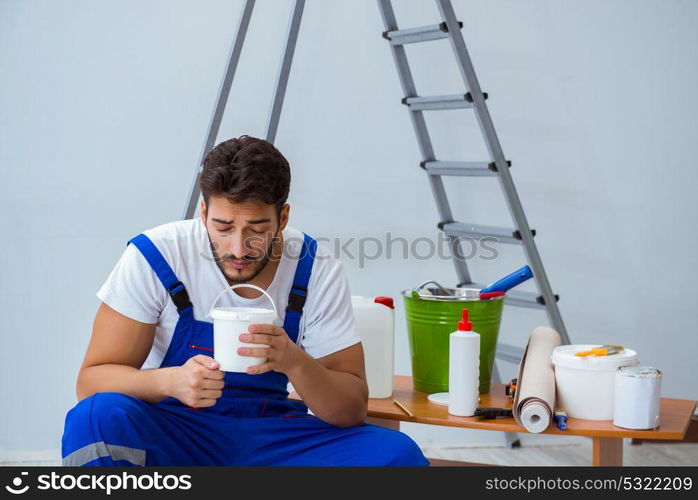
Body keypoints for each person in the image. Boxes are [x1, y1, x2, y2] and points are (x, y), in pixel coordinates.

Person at [61, 135, 429, 466]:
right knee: (96, 417)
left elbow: (350, 410)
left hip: (274, 436)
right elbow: (91, 381)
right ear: (203, 213)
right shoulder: (158, 255)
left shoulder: (314, 267)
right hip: (175, 431)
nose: (238, 249)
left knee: (396, 455)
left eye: (257, 230)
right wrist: (169, 382)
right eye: (222, 228)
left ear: (282, 218)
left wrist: (295, 362)